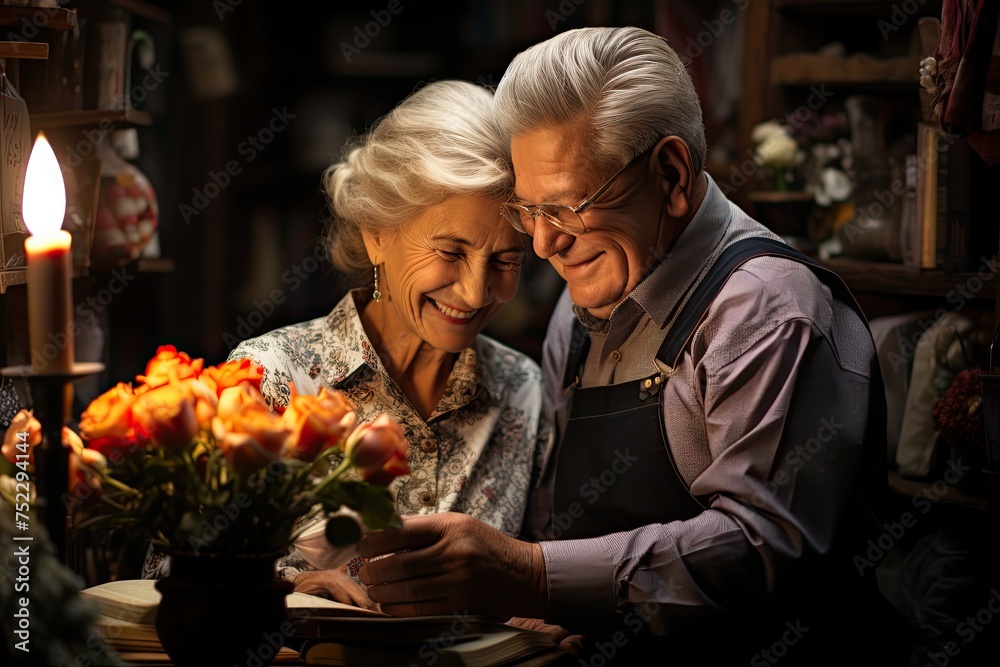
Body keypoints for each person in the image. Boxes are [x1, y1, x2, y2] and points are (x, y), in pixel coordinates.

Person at [355, 27, 915, 664]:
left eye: (567, 207)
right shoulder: (583, 299)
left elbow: (764, 543)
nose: (542, 245)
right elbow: (570, 523)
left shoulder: (764, 308)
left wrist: (535, 575)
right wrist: (541, 612)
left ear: (671, 173)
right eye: (527, 210)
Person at [142, 80, 543, 610]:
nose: (474, 291)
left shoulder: (523, 389)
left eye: (506, 261)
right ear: (377, 232)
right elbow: (161, 578)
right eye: (450, 251)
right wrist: (285, 593)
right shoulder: (269, 380)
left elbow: (538, 564)